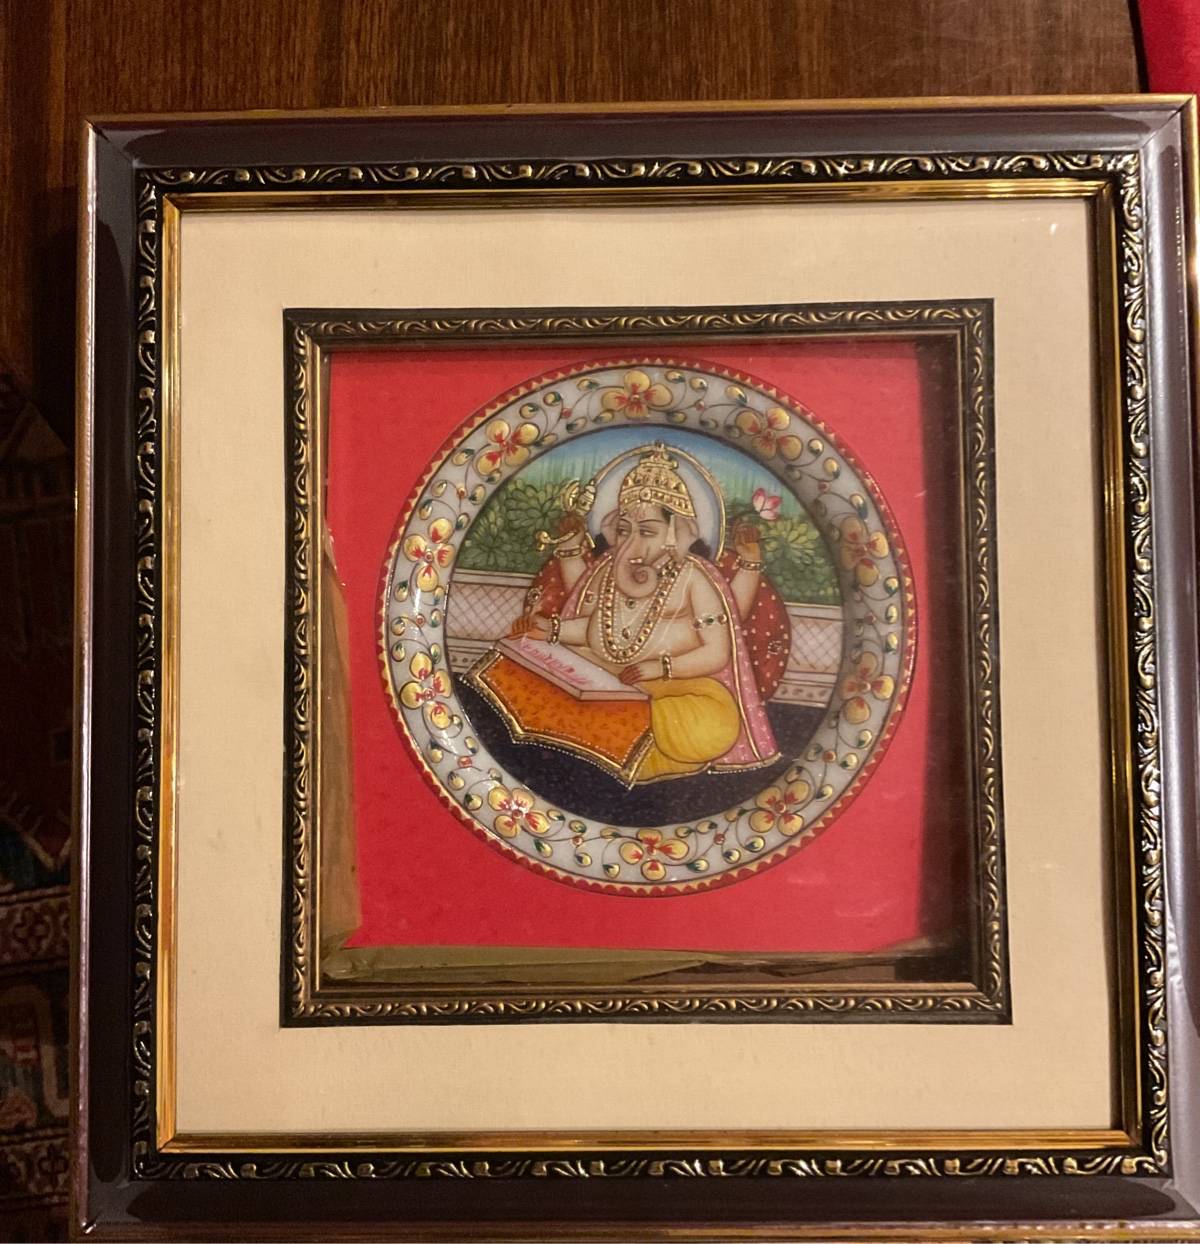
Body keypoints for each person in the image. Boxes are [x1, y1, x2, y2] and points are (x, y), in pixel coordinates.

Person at [509, 445, 779, 783]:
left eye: (647, 531)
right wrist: (550, 630)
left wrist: (660, 669)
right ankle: (615, 731)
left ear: (676, 533)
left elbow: (716, 652)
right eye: (624, 530)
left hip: (677, 690)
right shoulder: (611, 568)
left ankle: (618, 733)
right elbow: (597, 627)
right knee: (539, 669)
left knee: (713, 722)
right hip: (612, 678)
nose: (631, 542)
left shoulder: (693, 577)